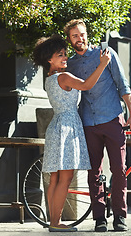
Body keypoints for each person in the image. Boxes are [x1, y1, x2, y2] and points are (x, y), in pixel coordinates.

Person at [64, 19, 131, 232]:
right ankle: (100, 218)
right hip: (88, 123)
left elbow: (123, 85)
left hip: (112, 119)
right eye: (74, 36)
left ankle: (120, 216)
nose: (80, 38)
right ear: (70, 40)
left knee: (119, 169)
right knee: (94, 173)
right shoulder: (70, 64)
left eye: (82, 34)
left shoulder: (106, 54)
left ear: (87, 34)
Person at [32, 34, 111, 232]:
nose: (65, 57)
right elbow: (86, 85)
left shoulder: (49, 79)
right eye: (60, 55)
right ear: (50, 59)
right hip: (68, 126)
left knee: (55, 179)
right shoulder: (64, 77)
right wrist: (102, 64)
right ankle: (56, 223)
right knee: (65, 178)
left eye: (65, 54)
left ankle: (53, 222)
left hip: (56, 126)